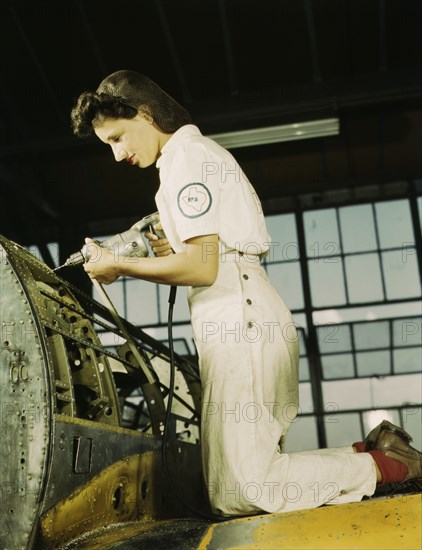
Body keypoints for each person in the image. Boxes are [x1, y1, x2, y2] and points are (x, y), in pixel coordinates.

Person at [70, 70, 422, 516]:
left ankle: (390, 467)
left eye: (118, 137)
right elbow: (205, 253)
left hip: (241, 317)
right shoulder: (192, 158)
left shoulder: (186, 159)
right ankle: (376, 452)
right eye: (109, 146)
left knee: (249, 489)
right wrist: (167, 251)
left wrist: (119, 263)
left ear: (144, 113)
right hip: (239, 312)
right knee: (232, 486)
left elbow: (202, 266)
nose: (118, 154)